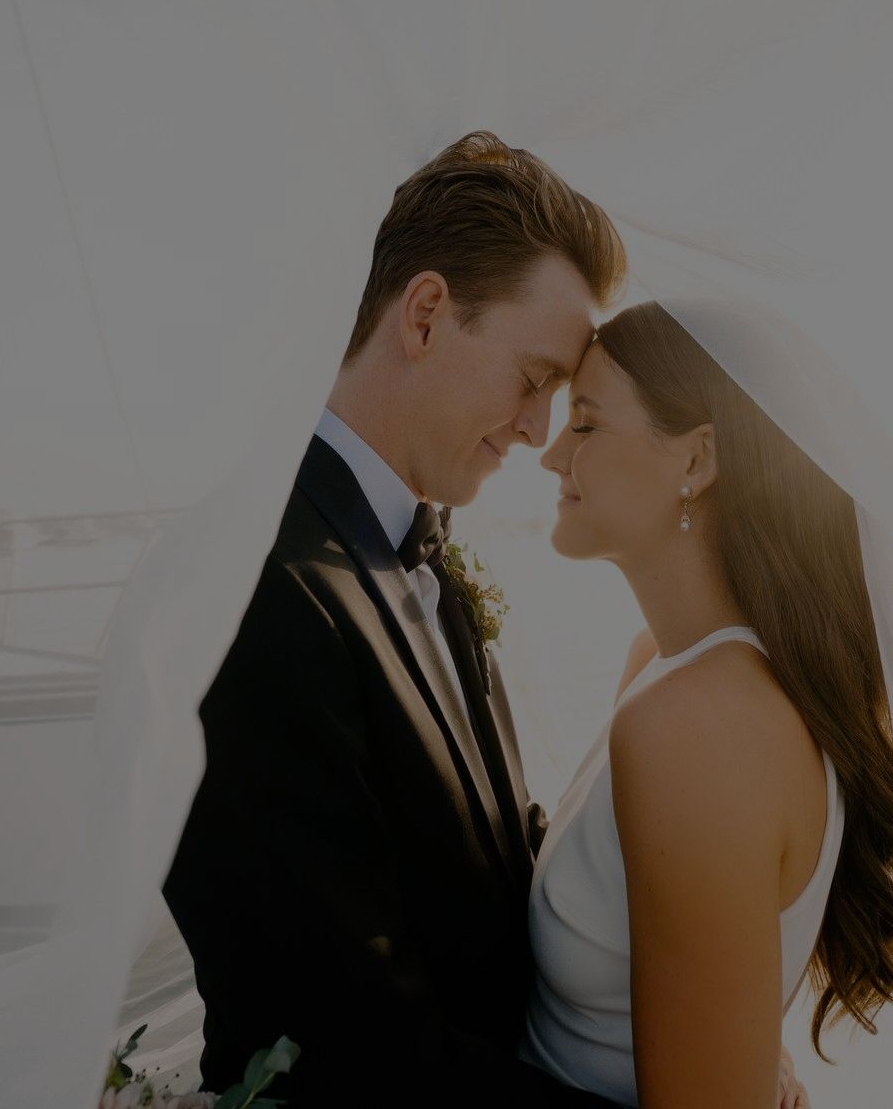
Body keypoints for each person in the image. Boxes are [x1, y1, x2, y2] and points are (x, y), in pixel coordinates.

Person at [162, 131, 629, 1106]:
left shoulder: (417, 544)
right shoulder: (262, 582)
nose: (539, 430)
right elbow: (347, 1040)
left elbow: (490, 862)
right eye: (534, 377)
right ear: (424, 315)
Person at [524, 301, 893, 1108]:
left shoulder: (702, 730)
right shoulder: (664, 671)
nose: (550, 455)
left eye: (584, 424)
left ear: (696, 460)